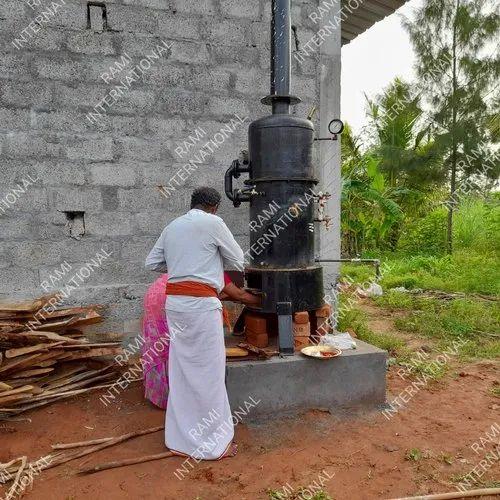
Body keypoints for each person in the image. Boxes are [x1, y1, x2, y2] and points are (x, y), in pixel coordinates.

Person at [145, 186, 258, 460]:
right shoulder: (214, 223)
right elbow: (237, 258)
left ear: (192, 204)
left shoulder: (173, 226)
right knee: (209, 372)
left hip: (176, 306)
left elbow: (153, 263)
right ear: (214, 208)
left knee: (182, 370)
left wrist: (182, 266)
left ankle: (179, 439)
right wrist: (208, 265)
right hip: (201, 306)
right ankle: (212, 444)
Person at [141, 272, 259, 410]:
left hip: (158, 292)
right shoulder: (216, 270)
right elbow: (240, 295)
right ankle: (179, 400)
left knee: (165, 345)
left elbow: (220, 294)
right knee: (181, 347)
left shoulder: (198, 265)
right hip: (170, 297)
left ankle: (164, 394)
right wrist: (264, 300)